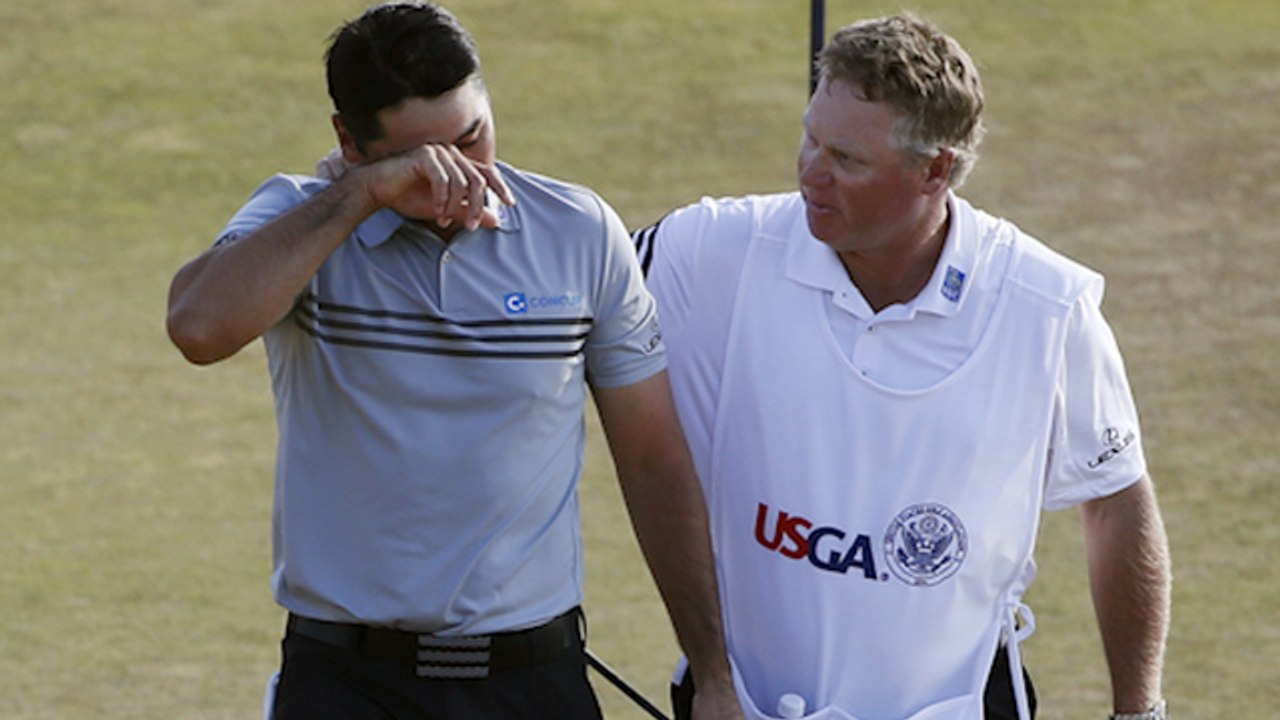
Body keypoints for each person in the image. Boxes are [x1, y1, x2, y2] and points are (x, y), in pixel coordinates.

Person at [165, 4, 741, 719]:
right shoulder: (299, 221)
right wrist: (359, 196)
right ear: (350, 141)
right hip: (347, 682)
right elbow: (197, 327)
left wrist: (714, 674)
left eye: (472, 139)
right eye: (418, 160)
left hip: (535, 678)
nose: (456, 179)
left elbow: (655, 462)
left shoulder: (581, 232)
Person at [633, 13, 1172, 720]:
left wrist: (1139, 712)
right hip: (741, 705)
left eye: (847, 160)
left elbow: (1115, 501)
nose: (809, 172)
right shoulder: (708, 253)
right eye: (809, 138)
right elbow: (553, 295)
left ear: (936, 169)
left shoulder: (1046, 306)